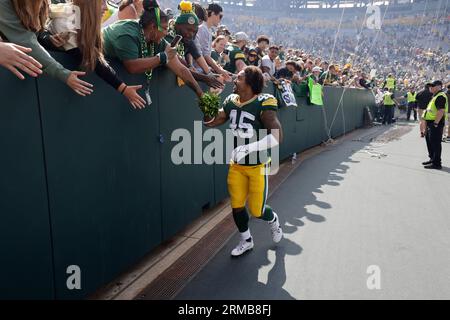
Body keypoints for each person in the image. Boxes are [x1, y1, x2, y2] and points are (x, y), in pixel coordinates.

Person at [202, 66, 284, 257]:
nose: (234, 81)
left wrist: (249, 147)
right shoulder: (231, 101)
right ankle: (246, 239)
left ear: (250, 83)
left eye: (238, 78)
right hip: (237, 166)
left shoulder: (264, 101)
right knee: (237, 205)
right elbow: (210, 122)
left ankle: (273, 220)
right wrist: (211, 97)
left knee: (257, 211)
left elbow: (278, 136)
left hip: (258, 165)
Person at [40, 0, 145, 108]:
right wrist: (124, 89)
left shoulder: (82, 17)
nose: (106, 8)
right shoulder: (67, 20)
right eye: (102, 2)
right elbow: (93, 60)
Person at [102, 0, 204, 99]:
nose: (166, 33)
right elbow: (132, 66)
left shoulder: (157, 39)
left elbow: (181, 70)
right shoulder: (127, 34)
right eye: (164, 28)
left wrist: (201, 95)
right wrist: (162, 57)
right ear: (153, 27)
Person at [0, 0, 93, 96]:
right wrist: (62, 73)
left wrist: (48, 39)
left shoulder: (43, 3)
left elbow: (36, 32)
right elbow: (24, 39)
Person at [165, 1, 222, 89]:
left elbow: (195, 53)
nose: (191, 33)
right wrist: (204, 76)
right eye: (199, 21)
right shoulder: (169, 35)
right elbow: (177, 61)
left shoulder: (190, 34)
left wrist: (209, 73)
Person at [194, 3, 230, 80]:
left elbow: (207, 55)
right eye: (220, 16)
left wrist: (219, 68)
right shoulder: (203, 29)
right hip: (197, 70)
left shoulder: (208, 30)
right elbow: (205, 56)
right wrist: (220, 70)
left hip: (202, 69)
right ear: (213, 14)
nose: (221, 19)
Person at [422, 80, 448, 170]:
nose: (431, 87)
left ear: (439, 86)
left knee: (435, 143)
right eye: (430, 86)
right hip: (431, 122)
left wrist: (435, 123)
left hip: (435, 123)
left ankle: (436, 163)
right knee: (430, 142)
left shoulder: (440, 96)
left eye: (433, 86)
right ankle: (432, 159)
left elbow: (441, 111)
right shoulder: (435, 96)